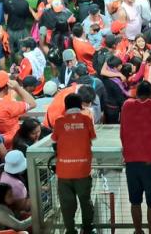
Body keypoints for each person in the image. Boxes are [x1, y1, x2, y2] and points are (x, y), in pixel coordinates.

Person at [120, 80, 151, 234]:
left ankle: (138, 231)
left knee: (135, 201)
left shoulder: (127, 105)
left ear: (136, 94)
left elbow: (123, 132)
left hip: (131, 162)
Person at [52, 93, 97, 234]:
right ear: (81, 105)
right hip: (83, 170)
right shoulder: (86, 119)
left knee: (67, 204)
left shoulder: (59, 121)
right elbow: (93, 139)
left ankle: (70, 230)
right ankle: (88, 229)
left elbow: (54, 141)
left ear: (65, 106)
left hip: (64, 171)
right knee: (85, 201)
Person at [0, 70, 36, 147]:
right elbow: (32, 103)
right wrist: (17, 87)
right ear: (6, 87)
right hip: (8, 145)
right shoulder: (9, 106)